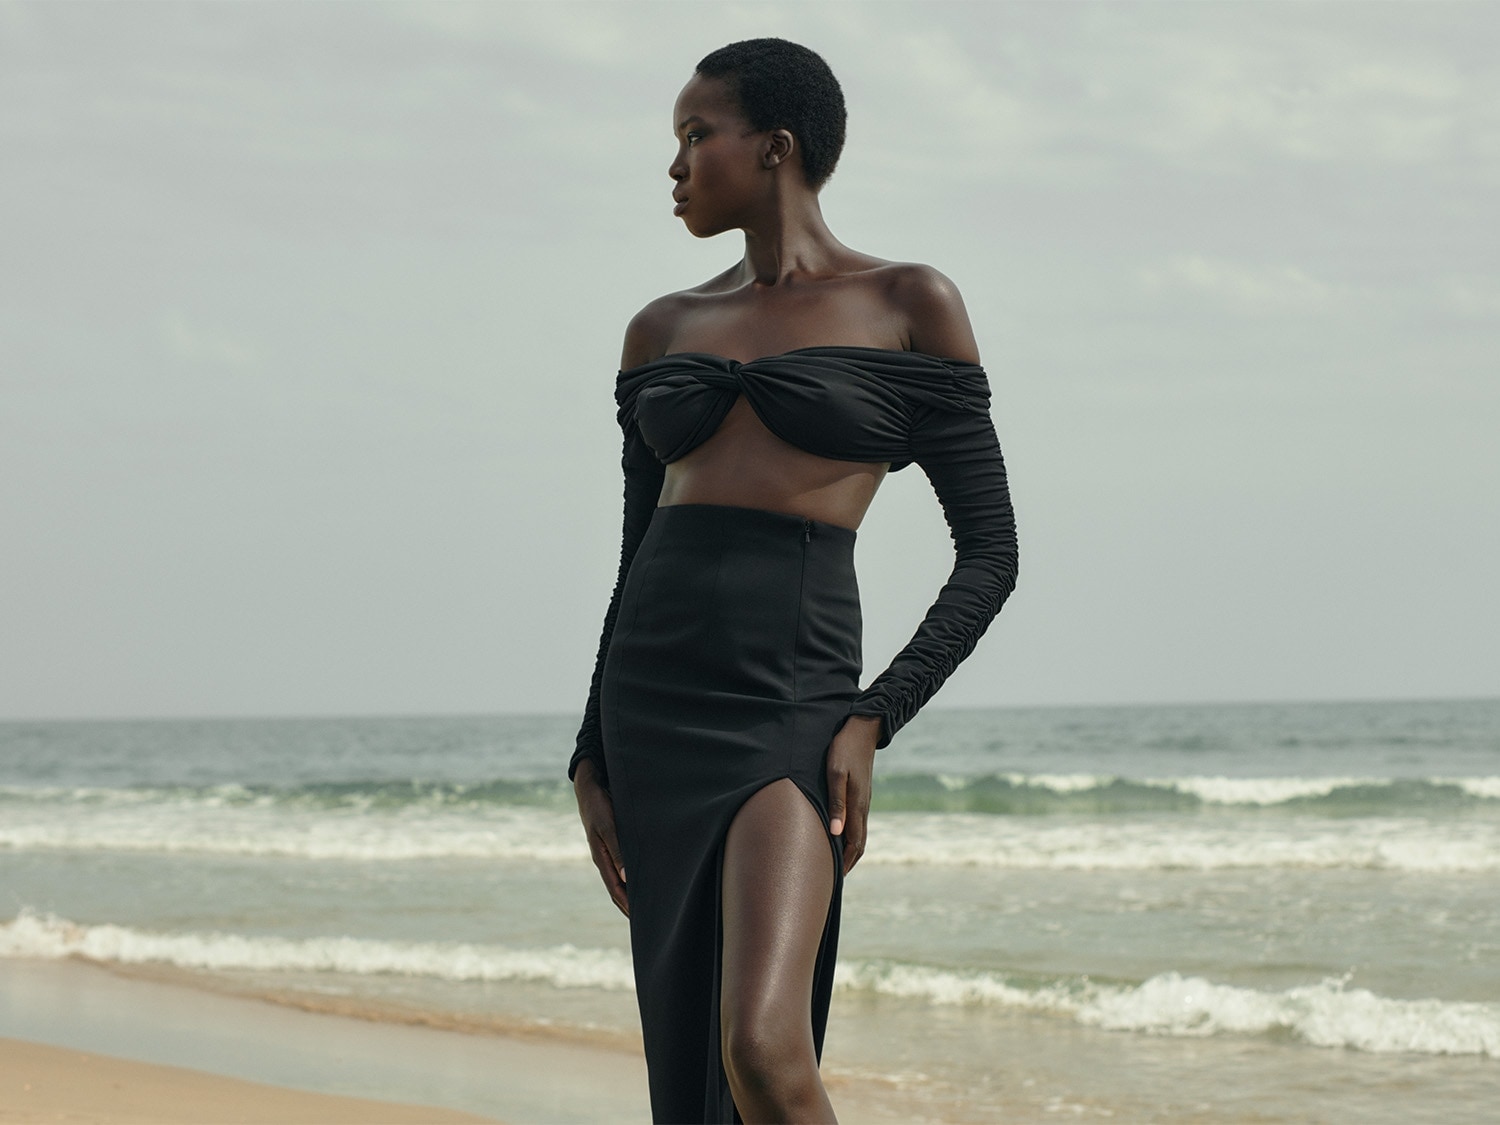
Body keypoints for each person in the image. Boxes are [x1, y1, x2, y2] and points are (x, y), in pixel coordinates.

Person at [570, 38, 1018, 1125]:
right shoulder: (660, 329)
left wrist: (873, 716)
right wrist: (591, 745)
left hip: (792, 696)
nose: (675, 166)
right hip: (653, 707)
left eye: (694, 136)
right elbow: (636, 552)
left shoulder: (910, 300)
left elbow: (992, 553)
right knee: (691, 1061)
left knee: (762, 1050)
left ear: (773, 147)